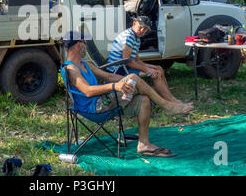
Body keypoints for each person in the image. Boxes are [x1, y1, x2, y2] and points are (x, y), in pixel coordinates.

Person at [63, 31, 193, 157]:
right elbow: (87, 91)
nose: (86, 45)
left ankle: (144, 144)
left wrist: (127, 82)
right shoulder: (71, 69)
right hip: (95, 108)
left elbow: (109, 76)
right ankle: (167, 106)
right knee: (133, 77)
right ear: (79, 44)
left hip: (104, 103)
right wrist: (117, 85)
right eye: (84, 42)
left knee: (143, 100)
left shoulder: (86, 64)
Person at [106, 16, 183, 104]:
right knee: (155, 74)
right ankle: (170, 101)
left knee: (159, 68)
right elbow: (127, 61)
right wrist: (147, 70)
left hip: (125, 67)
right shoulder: (129, 36)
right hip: (118, 70)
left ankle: (167, 96)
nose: (142, 30)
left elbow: (137, 60)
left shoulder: (136, 38)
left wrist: (151, 67)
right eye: (141, 27)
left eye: (145, 29)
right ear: (134, 24)